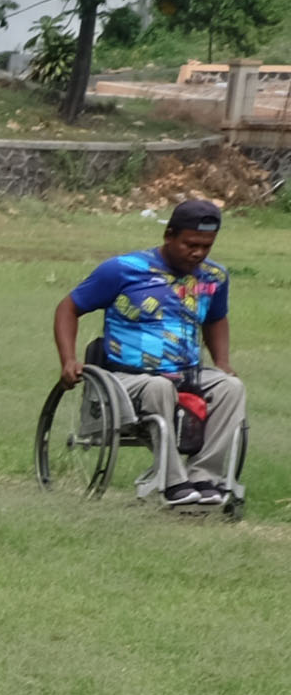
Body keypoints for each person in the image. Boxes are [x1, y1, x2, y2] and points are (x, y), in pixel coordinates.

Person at [55, 195, 243, 507]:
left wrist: (222, 361)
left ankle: (204, 476)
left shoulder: (214, 277)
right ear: (169, 235)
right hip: (126, 378)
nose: (198, 253)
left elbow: (216, 319)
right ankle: (173, 482)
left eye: (206, 246)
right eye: (190, 244)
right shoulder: (123, 270)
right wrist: (68, 360)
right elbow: (68, 308)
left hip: (187, 375)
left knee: (230, 387)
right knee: (158, 386)